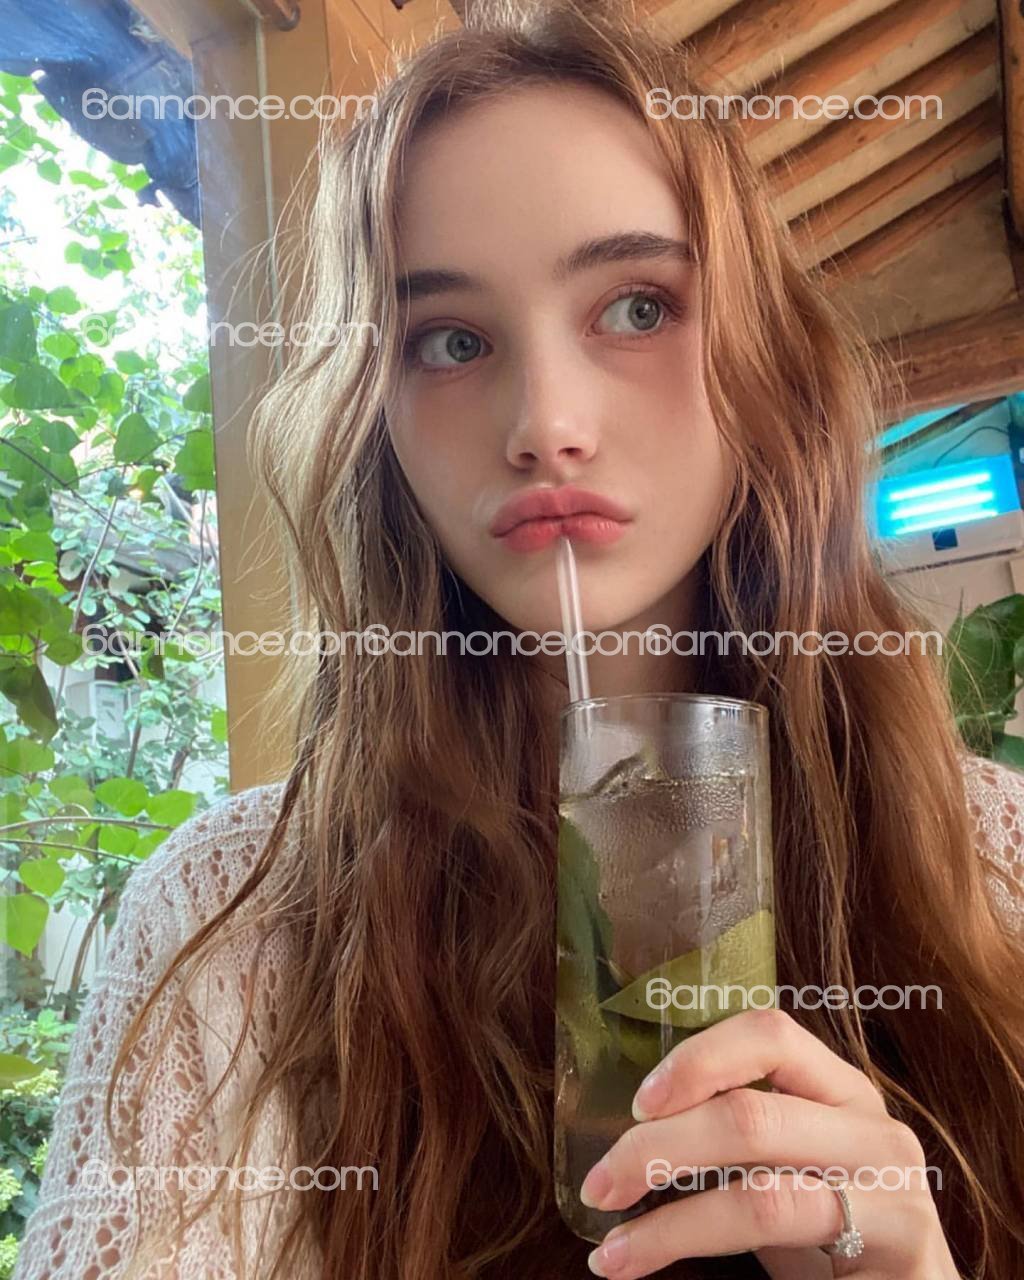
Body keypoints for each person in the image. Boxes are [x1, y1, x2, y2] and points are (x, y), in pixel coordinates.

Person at [13, 1, 1024, 1277]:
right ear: (374, 412)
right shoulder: (233, 923)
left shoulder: (993, 864)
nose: (544, 421)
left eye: (637, 308)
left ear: (768, 355)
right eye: (450, 339)